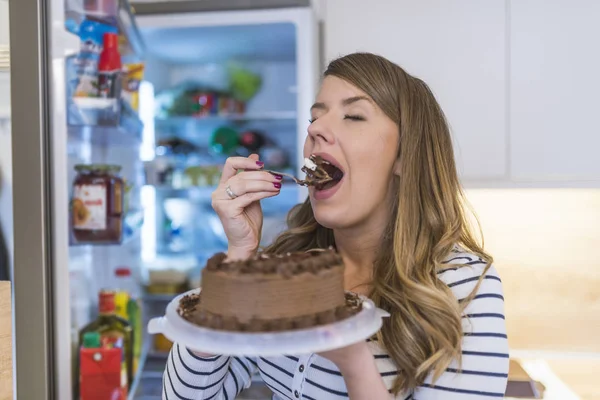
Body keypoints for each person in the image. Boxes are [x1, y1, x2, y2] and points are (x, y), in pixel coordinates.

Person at [162, 52, 509, 400]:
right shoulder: (286, 266)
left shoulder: (460, 286)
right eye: (315, 118)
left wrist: (353, 359)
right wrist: (239, 256)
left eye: (354, 116)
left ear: (405, 155)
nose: (314, 129)